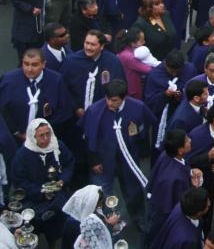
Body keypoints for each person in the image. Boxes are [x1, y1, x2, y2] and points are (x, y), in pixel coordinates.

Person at [80, 79, 156, 227]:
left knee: (133, 190)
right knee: (101, 193)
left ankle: (139, 219)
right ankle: (106, 223)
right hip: (103, 159)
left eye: (114, 100)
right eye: (107, 99)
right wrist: (94, 161)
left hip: (128, 158)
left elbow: (144, 129)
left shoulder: (138, 107)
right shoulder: (95, 110)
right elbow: (87, 137)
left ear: (124, 98)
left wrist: (144, 151)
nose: (110, 103)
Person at [10, 119, 74, 244]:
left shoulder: (57, 146)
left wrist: (63, 180)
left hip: (57, 198)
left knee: (57, 231)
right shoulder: (22, 155)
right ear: (33, 137)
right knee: (34, 233)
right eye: (41, 135)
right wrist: (41, 191)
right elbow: (20, 181)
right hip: (34, 201)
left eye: (48, 134)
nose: (46, 139)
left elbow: (69, 163)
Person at [62, 185, 119, 249]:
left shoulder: (71, 221)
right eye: (100, 204)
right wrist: (110, 225)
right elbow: (100, 244)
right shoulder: (88, 223)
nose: (101, 207)